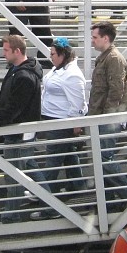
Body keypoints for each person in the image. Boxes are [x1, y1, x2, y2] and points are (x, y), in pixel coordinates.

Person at [0, 34, 44, 222]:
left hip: (18, 131)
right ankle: (50, 203)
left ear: (17, 51)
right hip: (21, 131)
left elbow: (13, 108)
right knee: (28, 166)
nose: (3, 54)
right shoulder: (21, 70)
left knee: (13, 175)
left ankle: (11, 216)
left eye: (6, 50)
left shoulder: (23, 76)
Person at [87, 21, 127, 203]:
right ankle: (108, 199)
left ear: (105, 38)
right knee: (101, 158)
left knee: (104, 158)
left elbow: (116, 91)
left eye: (95, 37)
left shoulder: (113, 59)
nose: (92, 41)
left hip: (109, 117)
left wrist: (107, 117)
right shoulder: (106, 58)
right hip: (102, 116)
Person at [32, 37, 87, 203]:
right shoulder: (59, 68)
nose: (51, 57)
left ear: (63, 54)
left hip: (62, 122)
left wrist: (76, 123)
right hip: (54, 119)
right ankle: (78, 186)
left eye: (53, 54)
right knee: (69, 154)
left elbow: (78, 101)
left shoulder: (72, 74)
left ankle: (44, 195)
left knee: (53, 158)